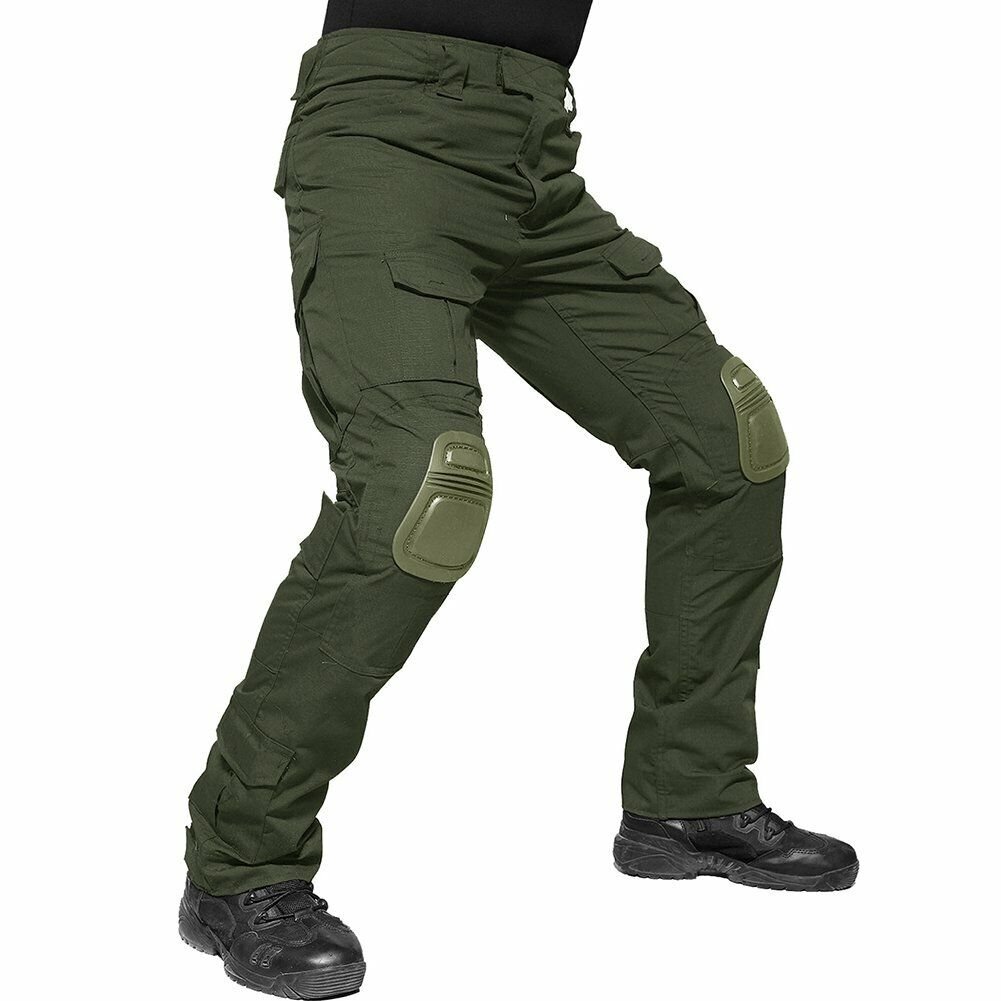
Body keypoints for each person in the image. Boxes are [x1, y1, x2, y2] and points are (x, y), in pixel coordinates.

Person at [178, 2, 858, 996]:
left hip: (530, 150)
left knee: (726, 441)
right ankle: (241, 864)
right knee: (422, 489)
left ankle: (687, 794)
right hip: (390, 135)